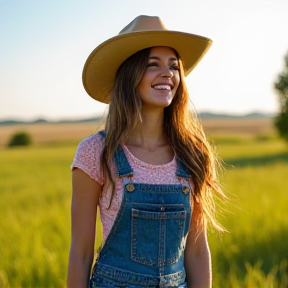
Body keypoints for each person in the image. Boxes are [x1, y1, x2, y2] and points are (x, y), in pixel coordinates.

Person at [67, 15, 225, 288]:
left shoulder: (193, 154)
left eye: (174, 67)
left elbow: (197, 251)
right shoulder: (96, 152)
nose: (168, 74)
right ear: (130, 74)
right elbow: (80, 255)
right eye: (153, 65)